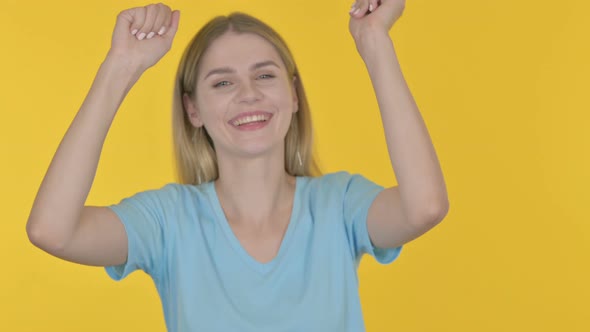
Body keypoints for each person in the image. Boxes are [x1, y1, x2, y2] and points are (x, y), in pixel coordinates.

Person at [27, 1, 449, 331]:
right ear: (193, 110)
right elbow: (52, 230)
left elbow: (424, 206)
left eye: (265, 76)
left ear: (294, 94)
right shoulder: (169, 221)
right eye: (222, 82)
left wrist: (375, 42)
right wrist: (119, 67)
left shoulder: (338, 205)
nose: (248, 94)